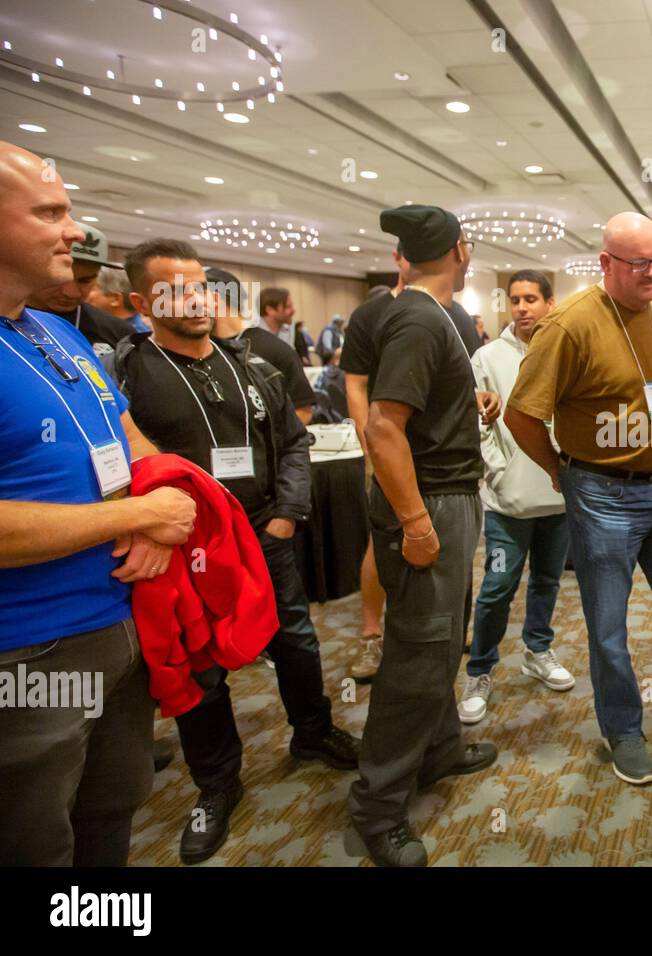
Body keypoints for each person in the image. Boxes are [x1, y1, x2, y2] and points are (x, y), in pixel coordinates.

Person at [112, 238, 360, 865]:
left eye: (201, 286)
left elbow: (295, 442)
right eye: (175, 289)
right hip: (185, 550)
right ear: (143, 302)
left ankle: (312, 732)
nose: (195, 299)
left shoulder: (252, 365)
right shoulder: (126, 376)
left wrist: (288, 514)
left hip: (263, 534)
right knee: (203, 669)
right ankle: (217, 785)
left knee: (296, 639)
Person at [0, 142, 197, 865]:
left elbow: (129, 436)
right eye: (50, 213)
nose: (75, 231)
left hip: (120, 625)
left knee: (111, 812)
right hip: (26, 652)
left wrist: (161, 500)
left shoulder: (53, 331)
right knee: (32, 837)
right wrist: (134, 517)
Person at [506, 211, 652, 787]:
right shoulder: (567, 326)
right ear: (606, 264)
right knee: (609, 623)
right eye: (640, 263)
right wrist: (561, 473)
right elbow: (521, 414)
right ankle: (623, 730)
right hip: (601, 494)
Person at [348, 205, 500, 867]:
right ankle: (376, 808)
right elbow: (383, 427)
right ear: (461, 250)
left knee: (442, 640)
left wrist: (471, 406)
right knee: (418, 652)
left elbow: (419, 409)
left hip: (448, 494)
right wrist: (414, 522)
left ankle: (437, 750)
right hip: (428, 501)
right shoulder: (415, 315)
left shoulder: (434, 314)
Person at [460, 270, 574, 723]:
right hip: (508, 502)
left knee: (547, 582)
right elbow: (478, 420)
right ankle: (480, 669)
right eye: (515, 299)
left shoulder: (566, 352)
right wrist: (499, 469)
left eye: (531, 299)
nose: (522, 307)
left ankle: (538, 650)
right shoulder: (487, 356)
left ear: (550, 303)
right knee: (497, 587)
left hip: (559, 497)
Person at [341, 272, 404, 682]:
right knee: (379, 542)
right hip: (384, 447)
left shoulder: (450, 313)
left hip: (439, 454)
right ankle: (371, 633)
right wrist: (372, 450)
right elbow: (356, 386)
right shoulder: (370, 315)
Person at [206, 266, 315, 425]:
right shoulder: (203, 349)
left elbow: (303, 411)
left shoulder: (275, 351)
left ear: (215, 300)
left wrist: (269, 444)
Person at [26, 223, 136, 361]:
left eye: (85, 281)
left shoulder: (119, 333)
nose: (71, 293)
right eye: (61, 279)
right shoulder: (7, 319)